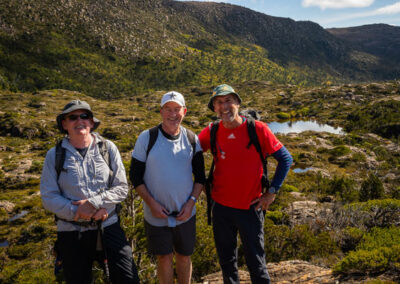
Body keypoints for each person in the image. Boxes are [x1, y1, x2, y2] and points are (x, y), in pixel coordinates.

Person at [198, 84, 293, 284]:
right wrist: (198, 184)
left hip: (250, 207)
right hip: (221, 207)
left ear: (238, 104)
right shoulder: (211, 131)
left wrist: (272, 192)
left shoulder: (257, 129)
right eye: (219, 102)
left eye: (229, 101)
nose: (224, 107)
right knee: (227, 262)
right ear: (214, 108)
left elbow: (285, 159)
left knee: (256, 262)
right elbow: (190, 155)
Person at [40, 100, 140, 284]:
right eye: (73, 117)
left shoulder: (108, 148)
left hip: (108, 225)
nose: (80, 121)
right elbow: (48, 197)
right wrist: (77, 212)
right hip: (71, 231)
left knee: (128, 278)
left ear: (92, 122)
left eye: (85, 116)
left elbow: (121, 187)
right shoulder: (54, 155)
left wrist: (94, 204)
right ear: (64, 124)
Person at [130, 91, 205, 284]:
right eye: (168, 109)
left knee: (184, 256)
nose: (173, 114)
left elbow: (200, 178)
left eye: (177, 109)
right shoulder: (147, 138)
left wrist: (191, 203)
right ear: (161, 111)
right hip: (156, 214)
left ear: (184, 111)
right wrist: (152, 204)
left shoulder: (192, 139)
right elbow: (135, 177)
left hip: (185, 213)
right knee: (163, 257)